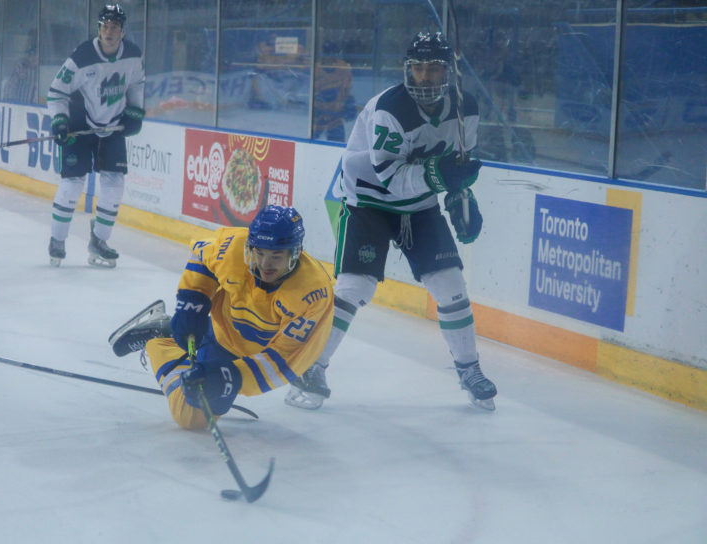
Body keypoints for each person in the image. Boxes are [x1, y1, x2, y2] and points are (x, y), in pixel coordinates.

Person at [285, 31, 498, 411]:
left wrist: (461, 194)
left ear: (448, 72)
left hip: (420, 206)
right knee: (355, 286)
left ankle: (469, 370)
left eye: (433, 69)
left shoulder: (467, 108)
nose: (425, 77)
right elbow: (392, 179)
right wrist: (441, 177)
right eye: (418, 69)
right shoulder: (389, 109)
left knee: (451, 285)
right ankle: (311, 366)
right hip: (368, 201)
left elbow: (457, 167)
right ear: (407, 70)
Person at [109, 205, 335, 429]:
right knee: (191, 418)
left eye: (276, 256)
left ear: (294, 253)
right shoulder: (234, 247)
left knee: (195, 415)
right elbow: (201, 256)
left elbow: (286, 360)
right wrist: (192, 304)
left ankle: (164, 333)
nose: (265, 264)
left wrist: (232, 378)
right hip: (220, 334)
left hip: (252, 356)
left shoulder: (312, 294)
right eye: (260, 253)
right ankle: (163, 335)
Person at [46, 4, 145, 268]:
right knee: (72, 184)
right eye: (104, 26)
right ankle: (57, 240)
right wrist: (59, 120)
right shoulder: (82, 56)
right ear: (98, 28)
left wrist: (135, 111)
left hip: (112, 127)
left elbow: (136, 83)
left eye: (114, 27)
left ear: (122, 31)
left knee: (114, 186)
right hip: (79, 126)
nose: (109, 31)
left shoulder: (133, 55)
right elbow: (57, 92)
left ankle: (99, 240)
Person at [312, 41, 355, 142]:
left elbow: (346, 90)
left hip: (336, 115)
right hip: (320, 113)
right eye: (327, 53)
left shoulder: (343, 67)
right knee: (313, 140)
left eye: (332, 53)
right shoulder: (317, 68)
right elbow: (315, 92)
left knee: (337, 142)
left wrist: (342, 105)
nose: (330, 56)